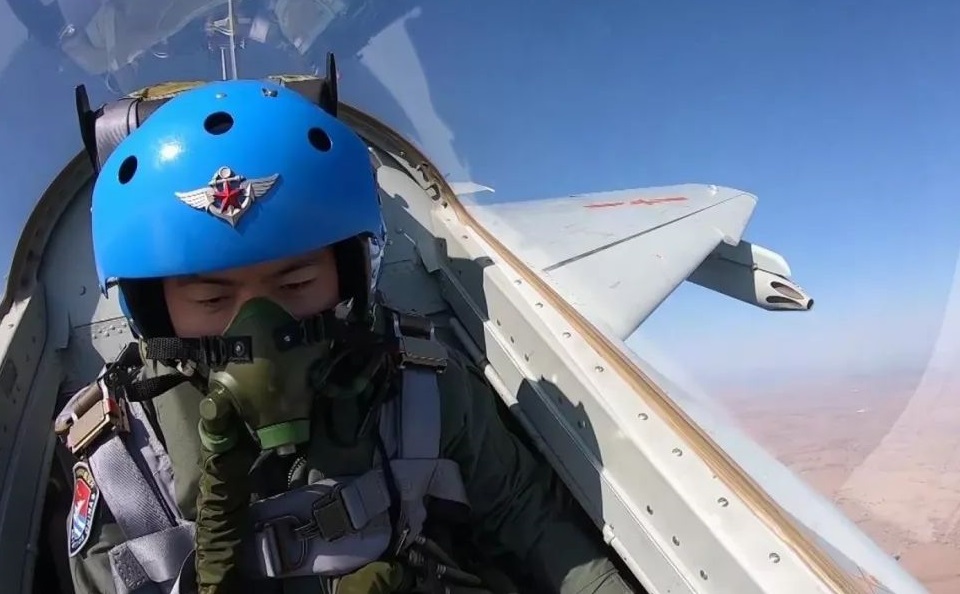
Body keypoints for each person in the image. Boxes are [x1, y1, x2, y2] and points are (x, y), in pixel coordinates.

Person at [56, 78, 637, 594]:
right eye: (211, 299)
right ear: (153, 310)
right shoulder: (121, 457)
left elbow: (532, 524)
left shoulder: (421, 386)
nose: (259, 328)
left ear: (352, 272)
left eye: (296, 282)